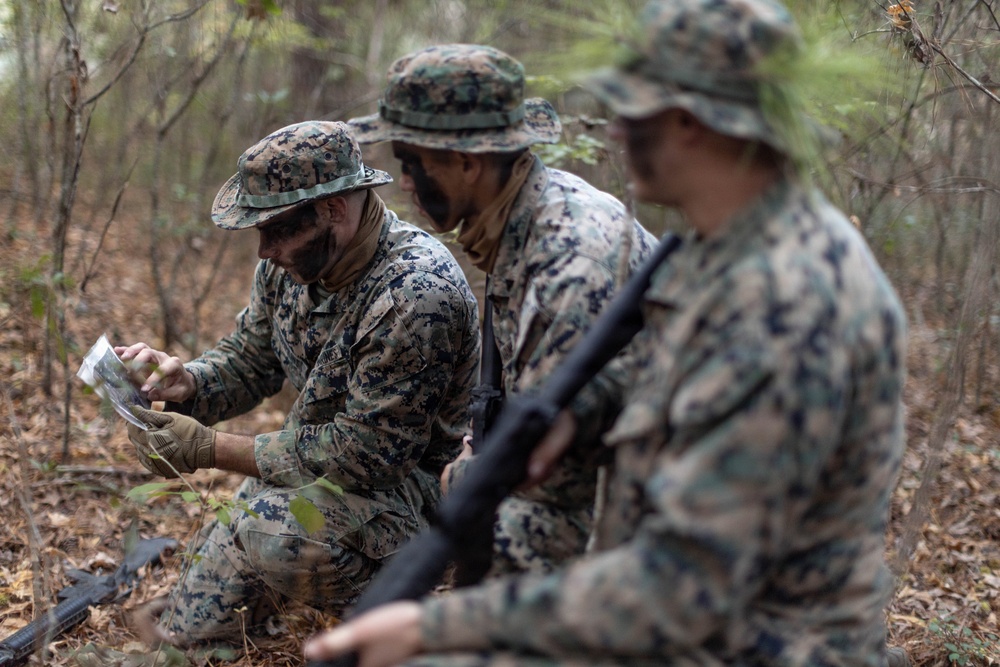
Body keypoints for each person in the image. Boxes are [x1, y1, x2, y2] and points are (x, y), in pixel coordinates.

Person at [303, 0, 909, 665]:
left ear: (688, 124)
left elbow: (681, 587)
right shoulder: (725, 249)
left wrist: (435, 625)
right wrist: (580, 411)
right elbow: (669, 380)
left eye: (633, 113)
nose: (617, 131)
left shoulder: (783, 298)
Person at [117, 120, 480, 646]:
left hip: (417, 500)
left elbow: (367, 456)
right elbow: (250, 357)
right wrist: (188, 384)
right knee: (186, 638)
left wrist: (210, 448)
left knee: (273, 530)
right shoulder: (292, 266)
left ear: (334, 209)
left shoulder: (415, 293)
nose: (264, 250)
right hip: (313, 476)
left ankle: (416, 615)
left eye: (278, 229)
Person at [347, 43, 657, 578]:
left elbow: (556, 481)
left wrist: (467, 479)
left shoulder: (569, 259)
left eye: (412, 163)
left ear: (467, 164)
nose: (405, 181)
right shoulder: (515, 219)